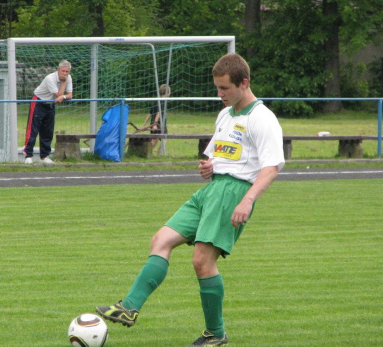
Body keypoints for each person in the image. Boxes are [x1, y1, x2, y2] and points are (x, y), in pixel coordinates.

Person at [96, 53, 284, 346]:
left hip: (232, 194)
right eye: (217, 88)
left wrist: (246, 201)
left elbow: (271, 168)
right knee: (161, 240)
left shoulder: (262, 119)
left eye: (225, 89)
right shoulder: (225, 115)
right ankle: (129, 307)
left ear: (244, 83)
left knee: (202, 262)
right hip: (210, 191)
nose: (219, 94)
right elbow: (217, 155)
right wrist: (208, 166)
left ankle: (215, 333)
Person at [23, 60, 73, 165]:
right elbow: (58, 94)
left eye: (67, 72)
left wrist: (63, 96)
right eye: (63, 71)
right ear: (58, 70)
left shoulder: (69, 78)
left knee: (48, 131)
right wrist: (63, 84)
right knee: (33, 129)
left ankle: (44, 156)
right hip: (38, 101)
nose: (65, 73)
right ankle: (28, 155)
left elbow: (69, 95)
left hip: (50, 104)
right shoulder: (50, 78)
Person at [142, 84, 171, 153]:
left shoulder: (156, 100)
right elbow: (159, 113)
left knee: (155, 140)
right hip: (159, 124)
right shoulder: (163, 101)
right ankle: (154, 153)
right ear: (167, 93)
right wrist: (155, 124)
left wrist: (144, 123)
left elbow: (150, 113)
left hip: (155, 123)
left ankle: (147, 153)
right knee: (162, 140)